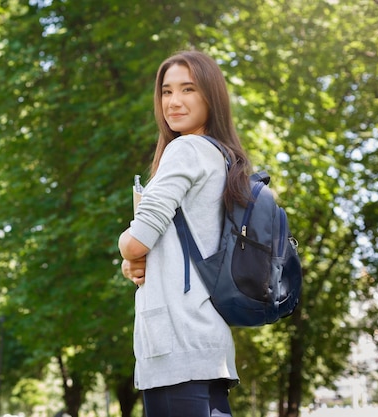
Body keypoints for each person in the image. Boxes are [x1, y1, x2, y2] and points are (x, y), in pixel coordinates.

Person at [118, 50, 253, 417]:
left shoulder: (186, 150)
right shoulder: (222, 157)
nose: (173, 102)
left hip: (176, 346)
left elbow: (137, 239)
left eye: (188, 89)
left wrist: (127, 251)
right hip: (206, 346)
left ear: (211, 96)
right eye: (166, 91)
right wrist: (136, 265)